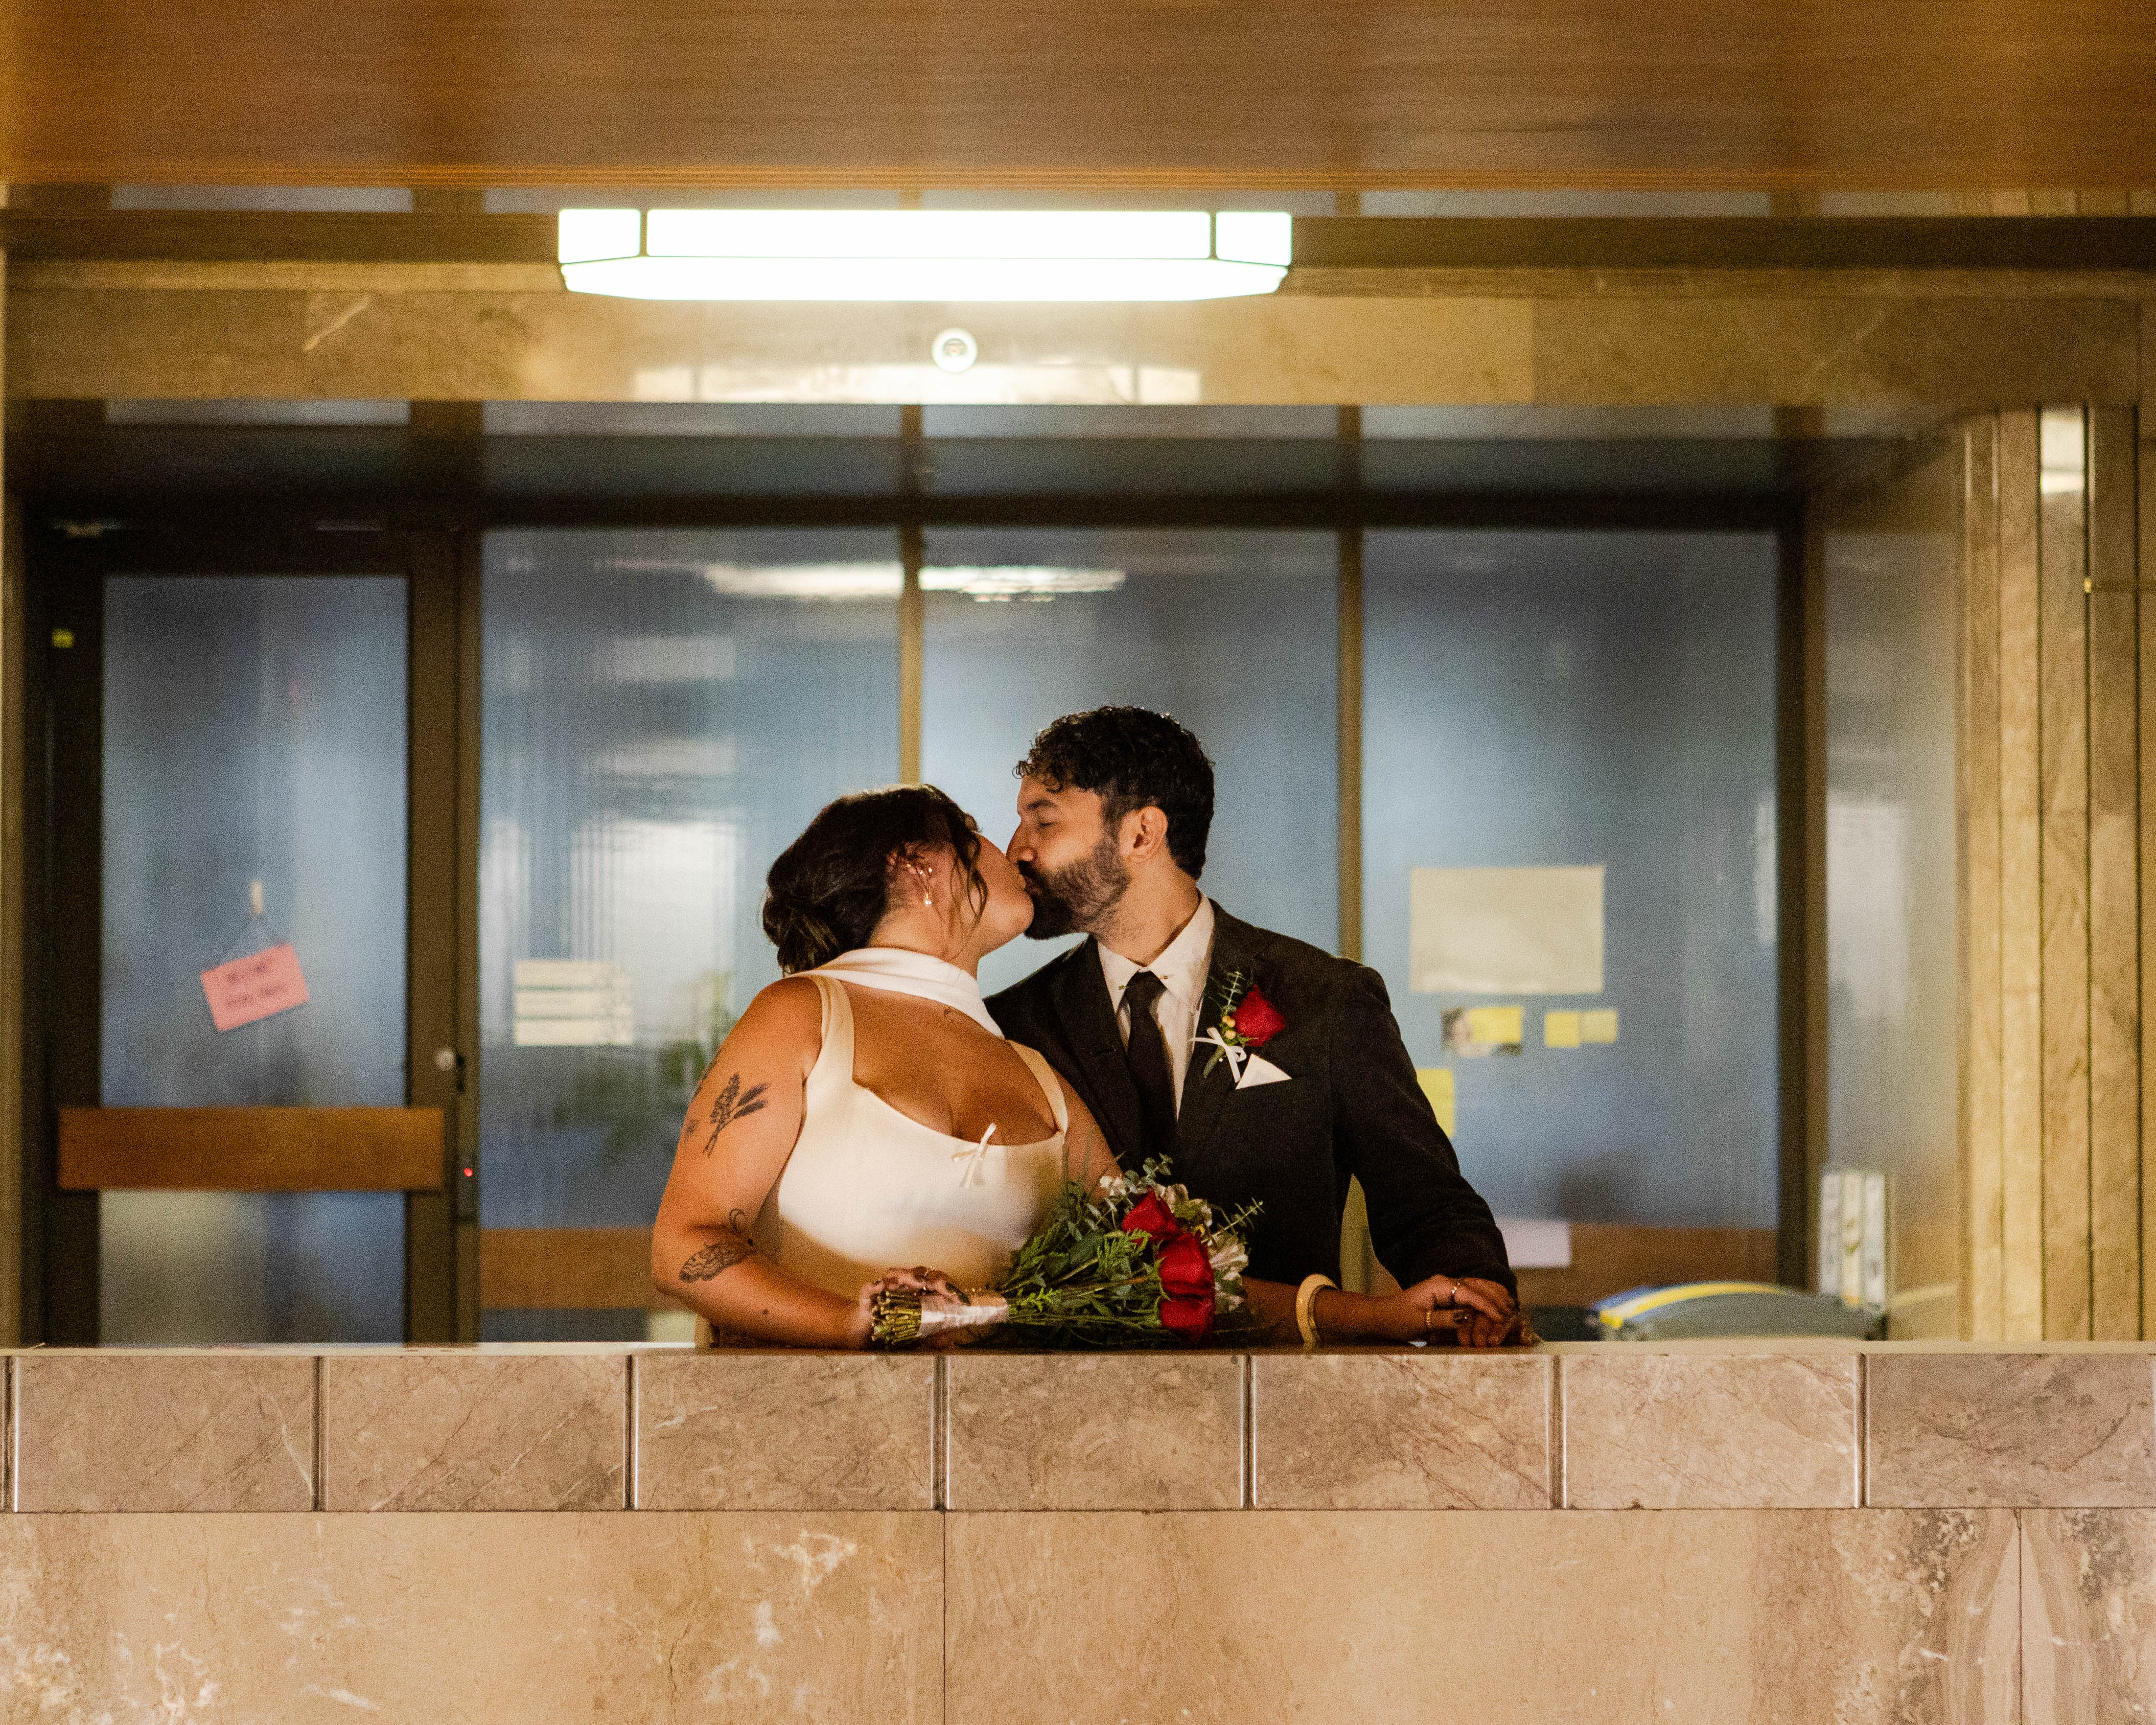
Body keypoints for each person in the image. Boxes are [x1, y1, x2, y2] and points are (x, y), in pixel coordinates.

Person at [986, 706, 1531, 1348]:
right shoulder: (1012, 1023)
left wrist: (1474, 1298)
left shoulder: (1326, 999)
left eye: (1042, 820)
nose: (1015, 849)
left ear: (1141, 834)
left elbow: (1425, 1202)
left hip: (1286, 1405)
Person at [651, 784, 1118, 1347]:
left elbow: (1144, 1267)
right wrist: (855, 1324)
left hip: (992, 1420)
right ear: (919, 862)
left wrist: (991, 1311)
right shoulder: (802, 1013)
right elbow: (683, 1247)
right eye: (974, 832)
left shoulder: (1040, 1076)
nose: (1015, 852)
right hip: (798, 1414)